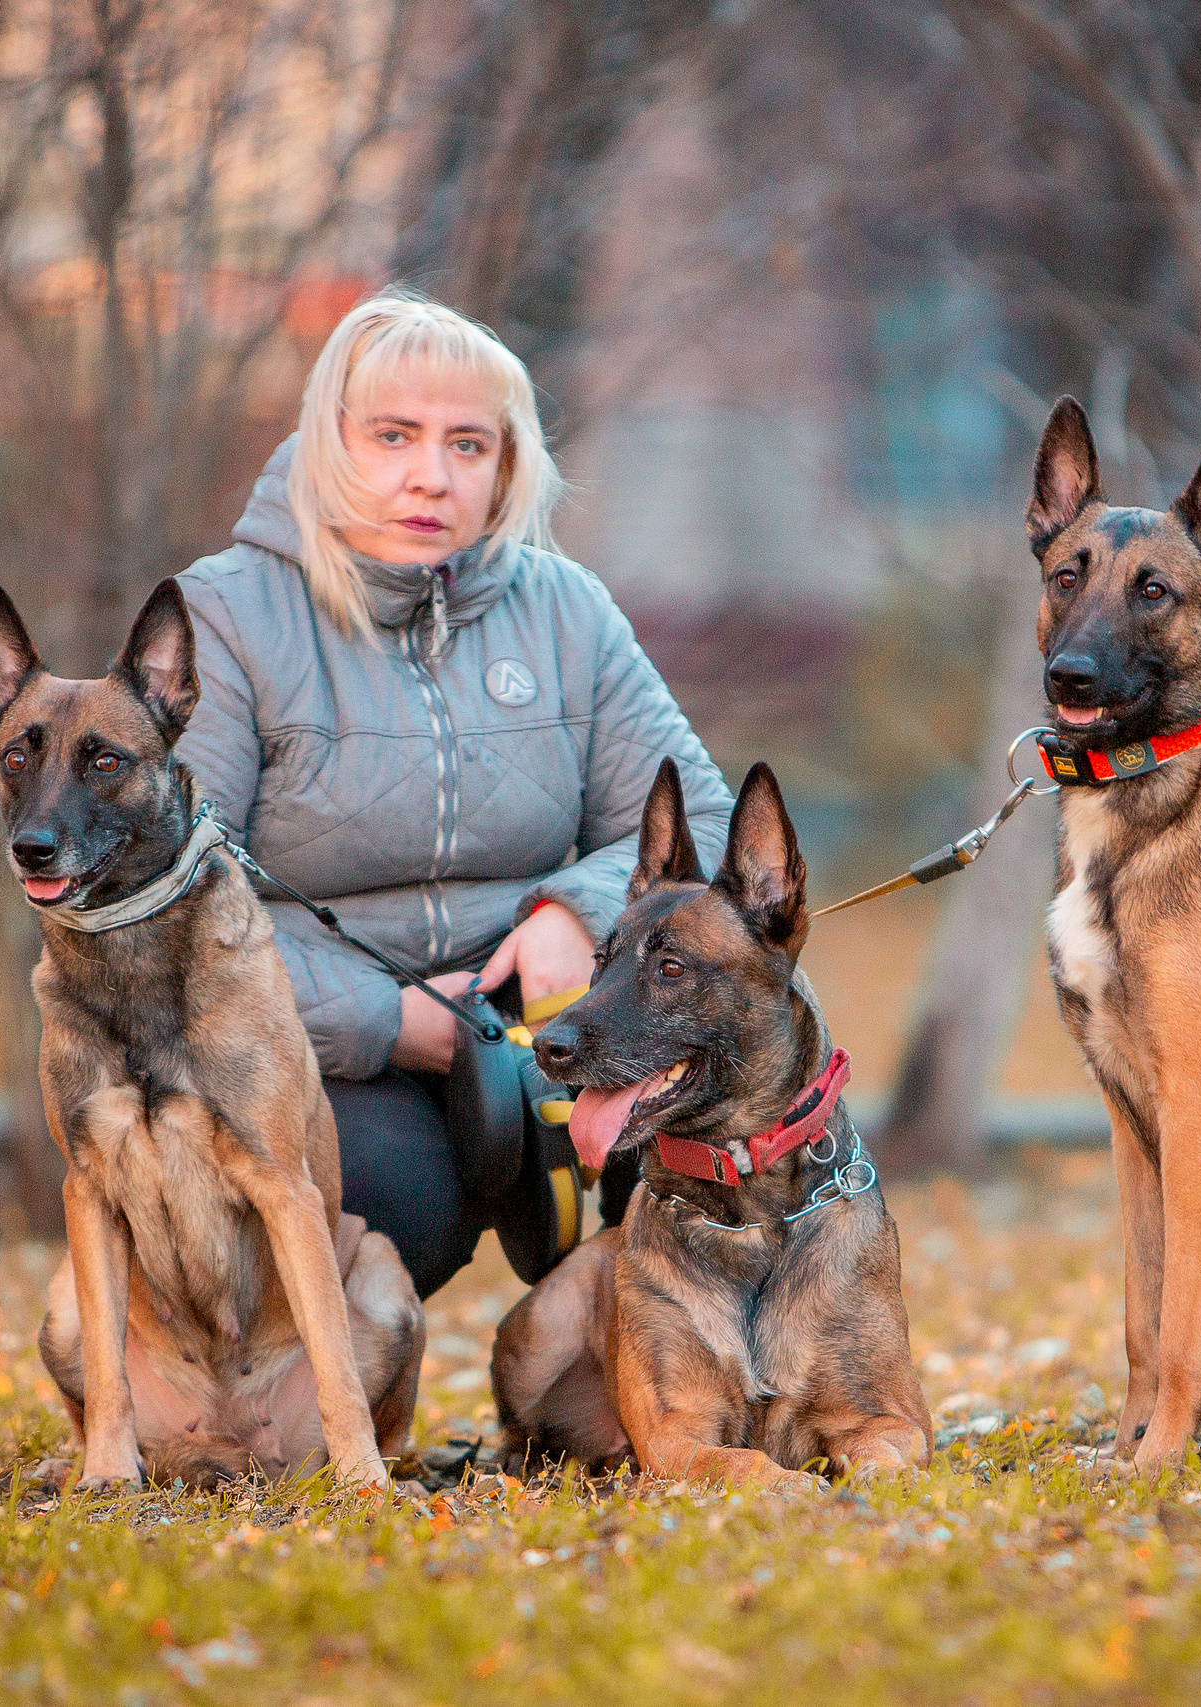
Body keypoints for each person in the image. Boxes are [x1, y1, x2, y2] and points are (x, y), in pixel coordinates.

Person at [174, 288, 733, 1298]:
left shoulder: (567, 612)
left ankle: (659, 1363)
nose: (431, 475)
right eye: (393, 435)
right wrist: (387, 1020)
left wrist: (576, 911)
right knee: (397, 1204)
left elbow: (707, 821)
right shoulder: (225, 614)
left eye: (467, 444)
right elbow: (177, 904)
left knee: (732, 1089)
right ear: (330, 441)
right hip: (324, 1048)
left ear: (507, 465)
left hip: (550, 1025)